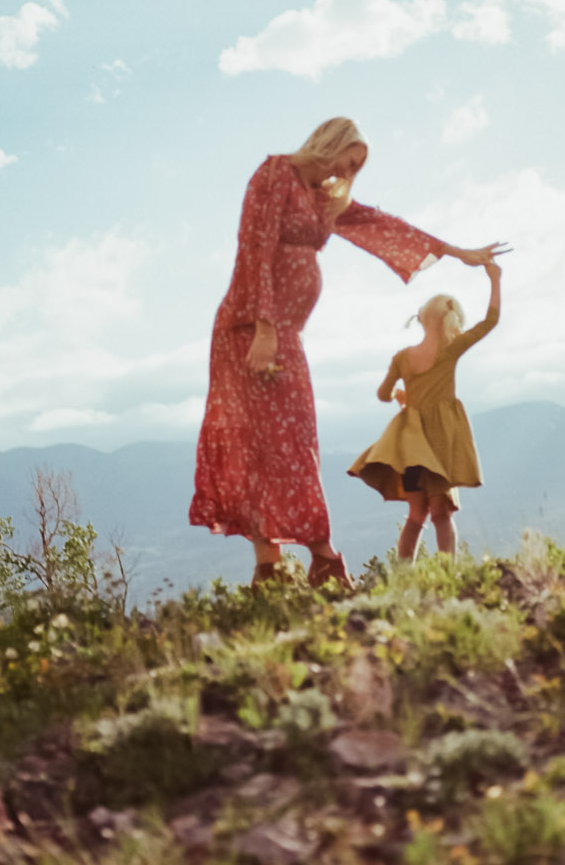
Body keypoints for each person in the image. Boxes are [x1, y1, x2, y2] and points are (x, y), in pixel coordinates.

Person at [188, 117, 506, 590]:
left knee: (294, 440)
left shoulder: (324, 200)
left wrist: (459, 253)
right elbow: (253, 248)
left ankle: (305, 562)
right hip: (248, 329)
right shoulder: (275, 174)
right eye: (348, 160)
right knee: (257, 443)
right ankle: (285, 564)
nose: (347, 172)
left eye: (356, 167)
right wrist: (264, 327)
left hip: (282, 331)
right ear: (327, 143)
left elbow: (381, 225)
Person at [351, 261, 502, 560]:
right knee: (441, 515)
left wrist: (402, 397)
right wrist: (495, 279)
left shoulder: (403, 358)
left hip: (410, 445)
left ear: (422, 320)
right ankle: (448, 574)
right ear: (450, 319)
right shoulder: (450, 350)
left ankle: (403, 575)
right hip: (438, 442)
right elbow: (490, 321)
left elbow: (382, 394)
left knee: (416, 514)